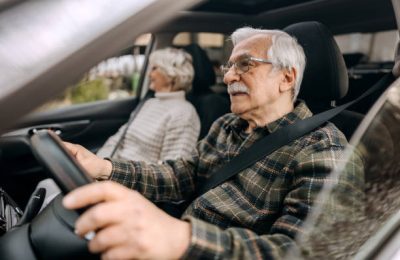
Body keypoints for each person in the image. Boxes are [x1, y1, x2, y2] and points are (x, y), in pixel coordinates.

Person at [62, 27, 364, 259]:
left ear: (286, 78)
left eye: (245, 64)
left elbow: (304, 252)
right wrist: (103, 168)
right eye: (229, 66)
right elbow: (185, 175)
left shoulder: (325, 151)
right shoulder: (228, 125)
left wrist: (182, 239)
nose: (230, 75)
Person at [97, 47, 200, 162]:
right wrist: (99, 162)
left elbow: (170, 172)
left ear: (171, 73)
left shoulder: (184, 114)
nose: (149, 74)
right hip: (110, 168)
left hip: (133, 177)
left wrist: (111, 172)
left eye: (154, 68)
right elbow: (118, 139)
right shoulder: (150, 103)